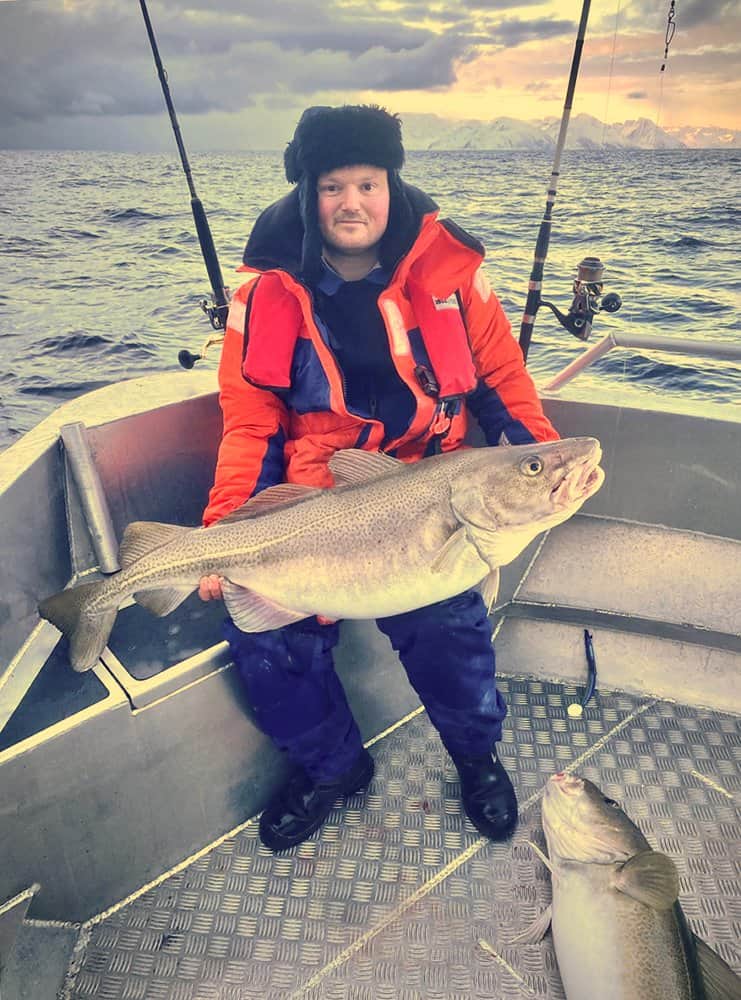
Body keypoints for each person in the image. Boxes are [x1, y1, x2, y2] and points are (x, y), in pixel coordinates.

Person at [199, 104, 559, 853]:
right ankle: (333, 769)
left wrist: (542, 460)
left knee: (453, 637)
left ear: (390, 184)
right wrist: (226, 524)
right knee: (269, 650)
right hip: (314, 503)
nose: (352, 203)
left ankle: (474, 759)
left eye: (367, 182)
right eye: (333, 186)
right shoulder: (264, 296)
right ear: (309, 196)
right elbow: (250, 421)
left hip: (426, 492)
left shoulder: (453, 279)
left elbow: (501, 380)